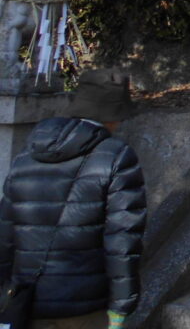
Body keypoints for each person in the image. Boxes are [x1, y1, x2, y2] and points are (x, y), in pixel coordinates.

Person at [0, 68, 146, 329]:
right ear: (114, 116)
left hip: (25, 301)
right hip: (84, 304)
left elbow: (5, 233)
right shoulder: (117, 156)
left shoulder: (28, 152)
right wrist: (121, 307)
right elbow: (122, 240)